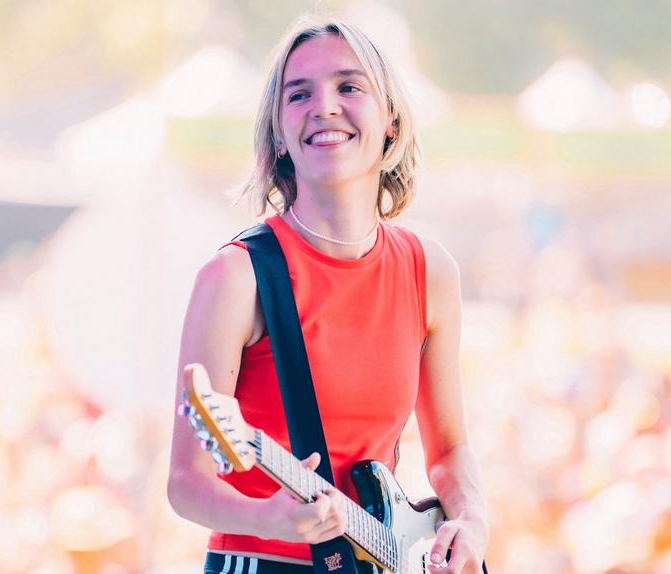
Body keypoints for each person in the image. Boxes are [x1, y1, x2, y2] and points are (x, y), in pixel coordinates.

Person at [167, 15, 489, 574]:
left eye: (348, 86)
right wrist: (271, 518)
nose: (324, 106)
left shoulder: (429, 271)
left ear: (390, 120)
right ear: (279, 135)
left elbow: (450, 450)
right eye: (299, 94)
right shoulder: (237, 277)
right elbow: (185, 483)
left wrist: (471, 522)